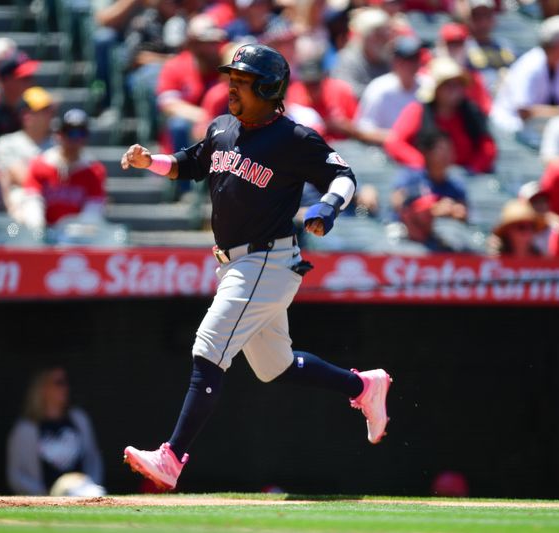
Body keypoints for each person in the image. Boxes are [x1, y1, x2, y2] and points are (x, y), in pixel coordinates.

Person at [119, 43, 392, 491]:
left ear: (269, 88)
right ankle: (362, 387)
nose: (231, 87)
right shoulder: (224, 127)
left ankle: (171, 457)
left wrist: (326, 207)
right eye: (231, 78)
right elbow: (190, 164)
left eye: (242, 82)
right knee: (275, 367)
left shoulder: (293, 137)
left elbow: (343, 175)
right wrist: (152, 161)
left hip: (268, 257)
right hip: (236, 263)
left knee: (209, 345)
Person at [385, 56, 496, 174]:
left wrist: (472, 169)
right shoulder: (418, 111)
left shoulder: (471, 112)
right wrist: (427, 166)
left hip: (464, 178)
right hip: (427, 180)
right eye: (448, 85)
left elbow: (487, 147)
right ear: (436, 89)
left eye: (458, 85)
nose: (455, 90)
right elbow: (395, 143)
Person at [6, 366, 104, 495]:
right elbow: (16, 476)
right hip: (44, 500)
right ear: (43, 388)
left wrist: (92, 486)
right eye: (59, 383)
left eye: (66, 382)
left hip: (82, 493)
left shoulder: (79, 419)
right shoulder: (25, 429)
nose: (65, 387)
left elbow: (93, 459)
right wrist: (46, 495)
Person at [490, 15, 559, 134]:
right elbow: (524, 112)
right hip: (511, 129)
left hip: (541, 128)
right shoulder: (530, 65)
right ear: (558, 45)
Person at [19, 108, 106, 230]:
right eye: (70, 133)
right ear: (59, 135)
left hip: (76, 239)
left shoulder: (94, 170)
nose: (75, 139)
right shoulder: (41, 164)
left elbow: (93, 210)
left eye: (81, 133)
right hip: (44, 235)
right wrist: (37, 231)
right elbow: (32, 202)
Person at [155, 14, 227, 153]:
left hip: (221, 126)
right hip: (190, 129)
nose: (212, 48)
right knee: (178, 124)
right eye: (206, 42)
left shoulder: (225, 64)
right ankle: (181, 172)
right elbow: (168, 105)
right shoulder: (176, 66)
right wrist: (206, 117)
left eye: (215, 42)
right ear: (192, 44)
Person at [0, 86, 56, 204]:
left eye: (50, 110)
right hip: (21, 209)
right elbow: (26, 179)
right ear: (26, 116)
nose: (49, 115)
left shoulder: (58, 144)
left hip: (56, 204)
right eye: (43, 110)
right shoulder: (7, 143)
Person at [355, 35, 422, 146]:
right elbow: (363, 130)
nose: (412, 64)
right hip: (383, 153)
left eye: (415, 59)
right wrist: (400, 138)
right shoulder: (379, 88)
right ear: (395, 62)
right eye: (407, 60)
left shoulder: (427, 85)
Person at [390, 130, 468, 223]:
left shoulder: (456, 186)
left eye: (449, 149)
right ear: (427, 153)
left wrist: (456, 212)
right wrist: (432, 209)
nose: (446, 154)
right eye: (441, 149)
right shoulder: (410, 176)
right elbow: (396, 202)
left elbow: (465, 215)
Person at [284, 57, 360, 142]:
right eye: (308, 84)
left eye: (316, 84)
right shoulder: (293, 94)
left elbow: (361, 130)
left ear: (324, 79)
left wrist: (344, 126)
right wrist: (324, 125)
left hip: (345, 145)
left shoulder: (341, 91)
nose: (312, 89)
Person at [330, 7, 392, 98]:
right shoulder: (347, 59)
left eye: (385, 34)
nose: (383, 39)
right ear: (363, 36)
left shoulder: (389, 58)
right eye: (377, 34)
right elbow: (348, 92)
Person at [0, 53, 39, 138]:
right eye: (25, 78)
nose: (31, 82)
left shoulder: (35, 109)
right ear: (6, 81)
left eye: (30, 77)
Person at [462, 0, 515, 95]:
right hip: (479, 100)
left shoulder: (504, 44)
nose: (483, 22)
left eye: (487, 16)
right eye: (477, 16)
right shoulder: (462, 46)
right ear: (468, 19)